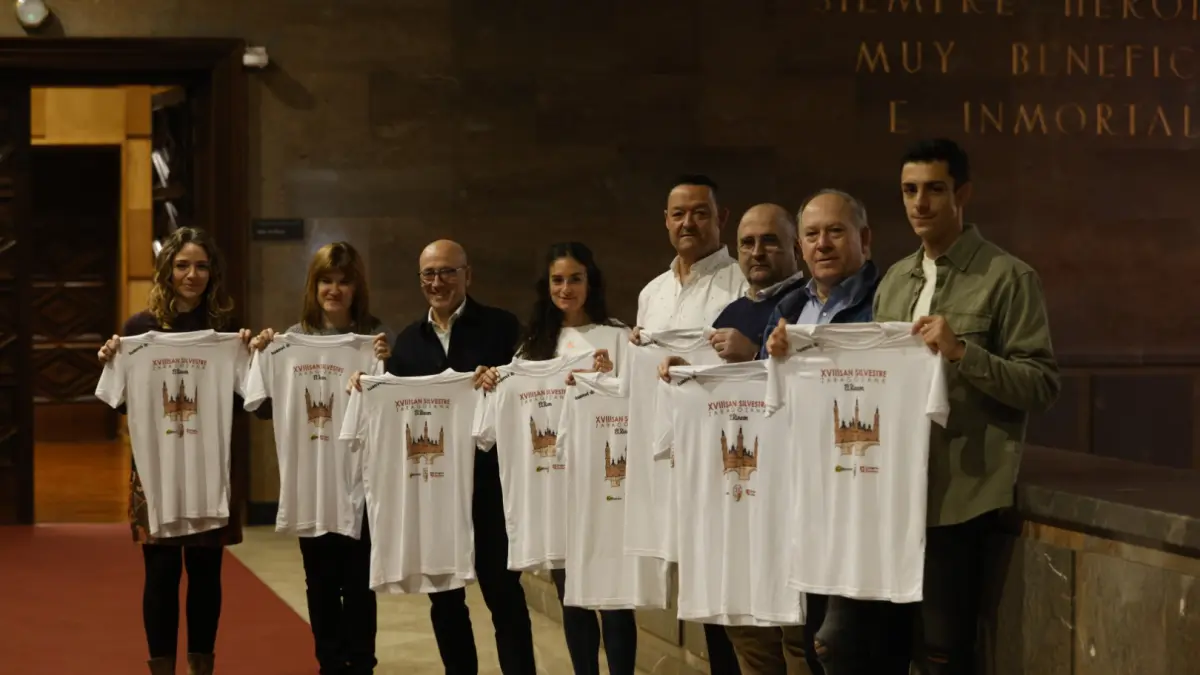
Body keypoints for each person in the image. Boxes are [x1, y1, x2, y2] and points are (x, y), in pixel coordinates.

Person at [873, 138, 1059, 674]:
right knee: (883, 648)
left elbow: (1042, 385)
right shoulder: (894, 280)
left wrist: (962, 352)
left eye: (934, 189)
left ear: (963, 194)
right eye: (909, 190)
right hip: (893, 492)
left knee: (944, 653)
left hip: (961, 494)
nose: (920, 203)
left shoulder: (1008, 277)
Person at [349, 239, 538, 675]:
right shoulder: (407, 344)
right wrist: (370, 381)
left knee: (503, 596)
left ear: (468, 275)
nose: (438, 282)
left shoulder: (502, 328)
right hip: (432, 490)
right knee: (445, 601)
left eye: (448, 272)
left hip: (490, 487)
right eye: (429, 274)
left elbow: (526, 388)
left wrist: (499, 381)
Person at [95, 227, 253, 675]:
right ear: (166, 271)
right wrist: (112, 359)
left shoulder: (226, 331)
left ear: (213, 272)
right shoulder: (138, 331)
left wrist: (252, 354)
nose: (192, 275)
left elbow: (251, 404)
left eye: (201, 266)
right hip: (156, 470)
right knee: (161, 574)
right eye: (183, 265)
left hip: (210, 469)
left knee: (206, 573)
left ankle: (202, 666)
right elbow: (121, 403)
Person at [764, 190, 907, 675]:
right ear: (800, 247)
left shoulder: (889, 301)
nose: (822, 243)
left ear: (864, 239)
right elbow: (766, 398)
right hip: (804, 501)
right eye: (812, 234)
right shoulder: (787, 308)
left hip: (864, 500)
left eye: (835, 232)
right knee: (811, 641)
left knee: (847, 647)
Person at [246, 242, 391, 675]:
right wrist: (262, 352)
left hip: (358, 483)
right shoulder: (289, 340)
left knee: (360, 582)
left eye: (344, 281)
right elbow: (260, 406)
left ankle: (361, 664)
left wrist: (388, 366)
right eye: (326, 280)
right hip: (309, 483)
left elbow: (389, 412)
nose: (335, 289)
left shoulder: (374, 340)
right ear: (313, 285)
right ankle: (329, 663)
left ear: (357, 287)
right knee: (320, 582)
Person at [634, 174, 746, 674]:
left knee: (727, 584)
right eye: (678, 213)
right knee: (696, 586)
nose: (688, 223)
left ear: (721, 218)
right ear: (665, 220)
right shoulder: (652, 293)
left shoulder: (740, 283)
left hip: (723, 453)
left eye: (700, 212)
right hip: (668, 457)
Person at [514, 242, 634, 675]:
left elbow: (636, 400)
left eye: (575, 279)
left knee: (615, 600)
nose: (566, 288)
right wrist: (491, 380)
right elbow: (517, 399)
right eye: (558, 280)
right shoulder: (532, 347)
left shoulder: (618, 336)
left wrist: (609, 377)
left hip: (606, 485)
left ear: (591, 281)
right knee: (572, 598)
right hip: (557, 486)